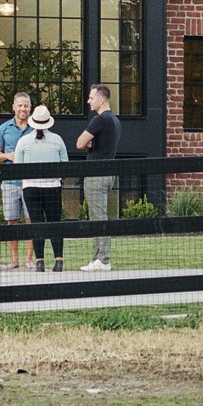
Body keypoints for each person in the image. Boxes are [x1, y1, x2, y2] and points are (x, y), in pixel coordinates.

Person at [14, 104, 69, 272]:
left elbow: (17, 166)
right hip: (52, 186)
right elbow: (65, 164)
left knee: (37, 223)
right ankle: (58, 260)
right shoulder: (57, 140)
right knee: (55, 223)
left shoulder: (24, 141)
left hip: (31, 187)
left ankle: (39, 261)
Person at [74, 81, 121, 271]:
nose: (88, 101)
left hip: (96, 174)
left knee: (98, 217)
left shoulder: (100, 120)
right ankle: (97, 259)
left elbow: (79, 143)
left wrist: (87, 142)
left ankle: (104, 260)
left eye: (92, 97)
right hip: (108, 174)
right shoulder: (115, 121)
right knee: (97, 216)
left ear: (101, 99)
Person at [0, 91, 33, 268]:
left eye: (26, 105)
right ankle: (14, 260)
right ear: (13, 107)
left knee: (31, 221)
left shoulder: (37, 128)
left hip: (31, 182)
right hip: (9, 182)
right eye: (20, 105)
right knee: (11, 221)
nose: (23, 109)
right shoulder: (4, 128)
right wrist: (8, 156)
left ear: (30, 108)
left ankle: (29, 260)